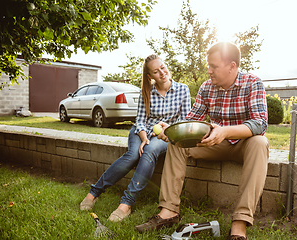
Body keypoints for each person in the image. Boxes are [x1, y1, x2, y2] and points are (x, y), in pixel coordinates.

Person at [135, 42, 269, 240]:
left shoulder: (253, 83)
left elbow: (260, 123)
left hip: (243, 144)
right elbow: (192, 120)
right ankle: (168, 212)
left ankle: (240, 224)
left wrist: (225, 132)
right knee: (176, 144)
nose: (209, 71)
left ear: (232, 66)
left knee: (260, 143)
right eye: (209, 66)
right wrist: (171, 131)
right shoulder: (206, 87)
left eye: (213, 66)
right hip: (213, 143)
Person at [80, 54, 191, 223]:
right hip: (141, 132)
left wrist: (161, 133)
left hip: (165, 135)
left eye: (162, 67)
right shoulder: (146, 92)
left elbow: (183, 122)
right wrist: (144, 137)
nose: (162, 72)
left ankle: (126, 204)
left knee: (150, 150)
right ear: (150, 76)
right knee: (133, 155)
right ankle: (94, 192)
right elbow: (140, 120)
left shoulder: (182, 90)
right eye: (156, 71)